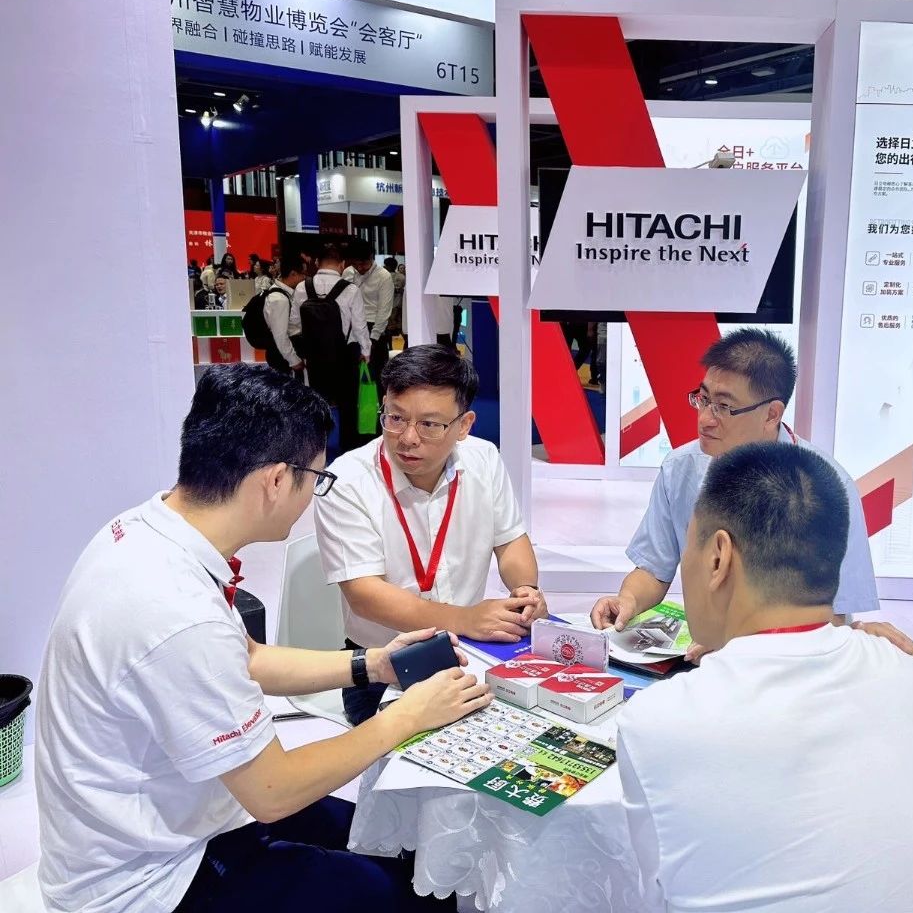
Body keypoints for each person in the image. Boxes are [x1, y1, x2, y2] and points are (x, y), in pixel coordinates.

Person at [35, 364, 486, 913]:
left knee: (401, 842)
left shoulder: (146, 530)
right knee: (419, 892)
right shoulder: (176, 611)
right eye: (315, 478)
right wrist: (409, 716)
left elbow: (245, 657)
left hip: (189, 814)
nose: (314, 493)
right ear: (275, 480)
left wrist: (372, 664)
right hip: (152, 880)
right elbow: (273, 791)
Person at [616, 442, 913, 913]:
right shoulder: (912, 677)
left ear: (718, 558)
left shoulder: (659, 722)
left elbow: (647, 895)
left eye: (689, 547)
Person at [591, 329, 913, 659]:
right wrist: (628, 600)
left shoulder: (828, 487)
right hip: (702, 656)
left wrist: (742, 645)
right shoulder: (681, 469)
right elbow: (653, 569)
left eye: (724, 407)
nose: (705, 419)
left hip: (790, 662)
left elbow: (832, 617)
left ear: (772, 414)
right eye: (703, 399)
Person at [314, 344, 548, 726]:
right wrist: (465, 619)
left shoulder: (484, 459)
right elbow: (365, 596)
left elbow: (511, 542)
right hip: (384, 664)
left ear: (464, 425)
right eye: (395, 418)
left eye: (429, 425)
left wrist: (526, 591)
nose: (408, 438)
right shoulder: (348, 481)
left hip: (469, 653)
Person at [290, 242, 370, 452]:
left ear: (317, 262)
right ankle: (349, 450)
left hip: (315, 357)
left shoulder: (302, 288)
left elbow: (294, 324)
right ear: (342, 264)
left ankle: (316, 450)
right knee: (348, 406)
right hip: (345, 356)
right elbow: (360, 325)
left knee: (316, 404)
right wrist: (366, 351)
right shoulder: (350, 289)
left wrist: (302, 351)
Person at [345, 238, 396, 393]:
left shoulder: (383, 276)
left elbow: (384, 311)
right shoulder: (348, 273)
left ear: (371, 258)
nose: (360, 268)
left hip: (374, 328)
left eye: (364, 264)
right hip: (351, 328)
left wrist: (373, 339)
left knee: (376, 375)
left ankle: (380, 406)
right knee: (352, 376)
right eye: (356, 264)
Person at [262, 252, 307, 376]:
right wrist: (294, 360)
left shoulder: (286, 293)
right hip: (282, 356)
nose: (304, 277)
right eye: (303, 273)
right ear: (293, 273)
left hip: (285, 352)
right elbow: (280, 335)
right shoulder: (279, 298)